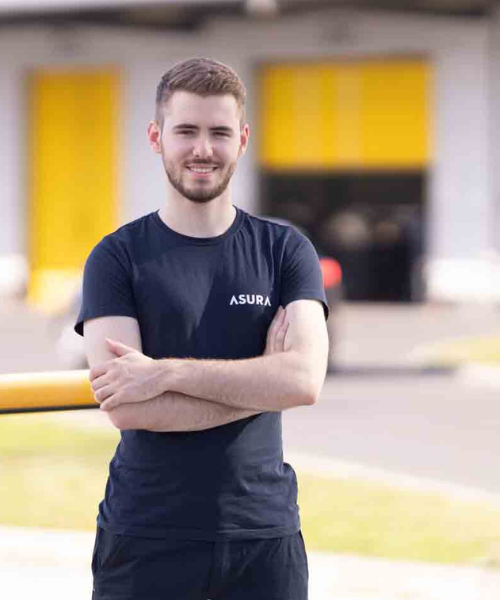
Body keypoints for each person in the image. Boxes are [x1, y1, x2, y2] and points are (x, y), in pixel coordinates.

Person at [75, 57, 329, 600]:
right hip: (146, 537)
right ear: (155, 137)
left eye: (218, 132)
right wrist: (264, 382)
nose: (202, 149)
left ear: (242, 139)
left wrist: (165, 371)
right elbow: (128, 406)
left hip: (263, 539)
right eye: (185, 130)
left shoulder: (286, 251)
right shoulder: (116, 258)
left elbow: (304, 381)